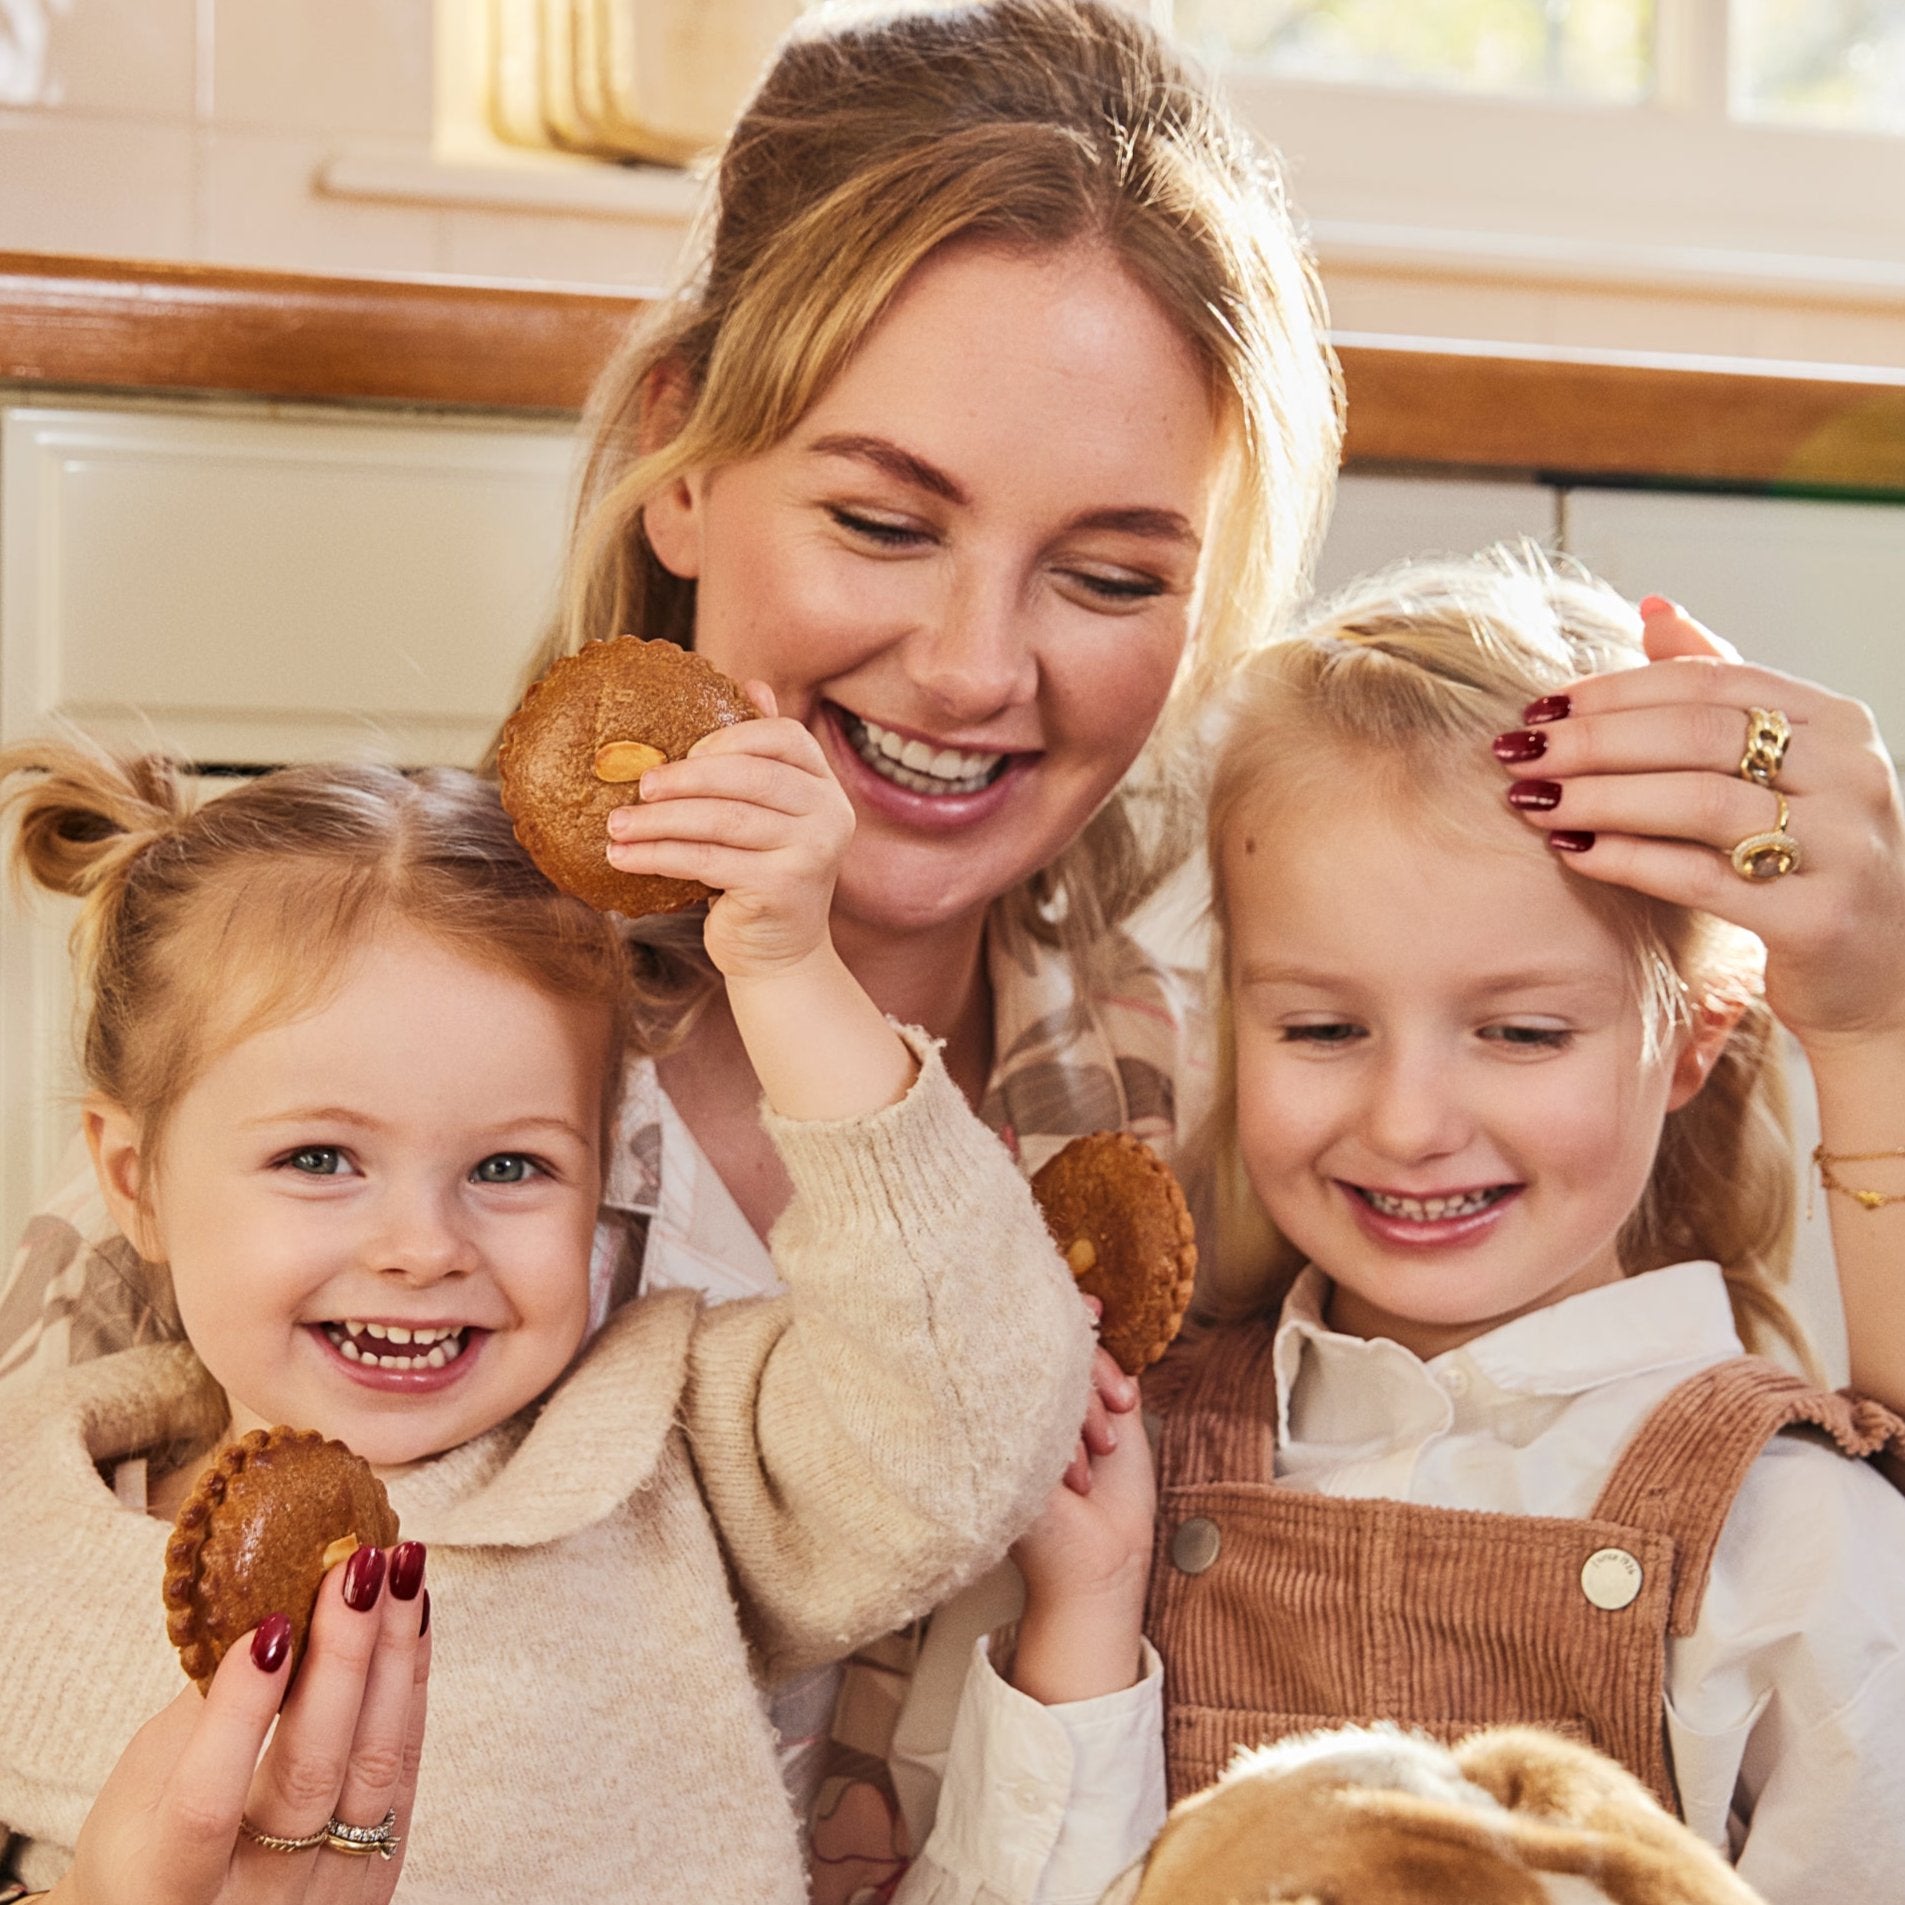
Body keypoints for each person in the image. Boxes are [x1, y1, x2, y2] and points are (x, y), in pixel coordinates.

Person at [6, 0, 1905, 1895]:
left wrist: (1873, 1018)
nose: (978, 670)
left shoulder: (1243, 1075)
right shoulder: (369, 998)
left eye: (1109, 575)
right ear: (681, 456)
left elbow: (1783, 1550)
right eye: (882, 521)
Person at [0, 725, 1097, 1903]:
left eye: (511, 1169)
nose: (422, 1249)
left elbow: (973, 1418)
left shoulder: (666, 1455)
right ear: (132, 1181)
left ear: (605, 1176)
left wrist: (790, 976)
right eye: (320, 1157)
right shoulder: (28, 1519)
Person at [1092, 549, 1903, 1902]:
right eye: (1321, 1027)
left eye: (1522, 1032)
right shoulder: (1128, 1464)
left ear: (1691, 1040)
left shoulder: (1798, 1536)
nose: (1409, 1121)